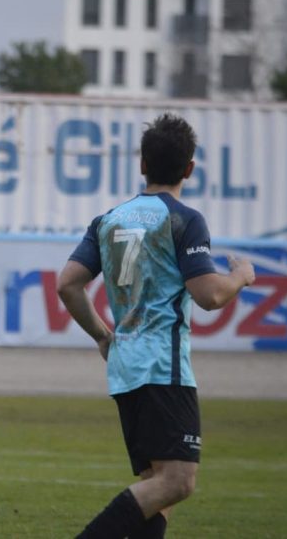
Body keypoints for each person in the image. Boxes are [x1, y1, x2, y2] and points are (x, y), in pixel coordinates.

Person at [57, 113, 255, 539]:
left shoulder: (109, 219)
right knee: (177, 481)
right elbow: (210, 296)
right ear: (190, 169)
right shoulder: (184, 219)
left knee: (155, 485)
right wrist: (241, 276)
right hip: (163, 364)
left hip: (126, 364)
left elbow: (68, 285)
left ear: (142, 164)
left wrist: (102, 335)